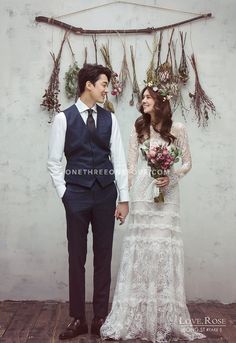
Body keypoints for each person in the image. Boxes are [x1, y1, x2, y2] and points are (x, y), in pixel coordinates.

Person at [100, 86, 206, 342]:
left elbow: (187, 162)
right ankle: (137, 317)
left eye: (148, 97)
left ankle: (164, 319)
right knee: (144, 251)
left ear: (160, 102)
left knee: (162, 251)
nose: (143, 101)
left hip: (167, 195)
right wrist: (125, 198)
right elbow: (131, 166)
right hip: (142, 194)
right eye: (143, 98)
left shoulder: (177, 128)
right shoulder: (139, 129)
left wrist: (171, 177)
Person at [47, 63, 129, 340]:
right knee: (76, 258)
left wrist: (124, 198)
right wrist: (65, 194)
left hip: (106, 194)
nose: (107, 89)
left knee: (103, 257)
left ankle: (101, 317)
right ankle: (78, 318)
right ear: (88, 86)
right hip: (77, 195)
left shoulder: (110, 119)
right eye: (104, 84)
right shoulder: (63, 118)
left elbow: (118, 159)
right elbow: (54, 161)